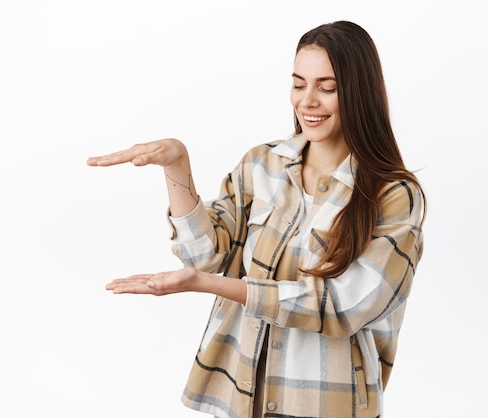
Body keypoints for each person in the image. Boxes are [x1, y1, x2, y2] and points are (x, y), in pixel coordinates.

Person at [87, 20, 425, 418]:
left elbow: (342, 307)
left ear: (360, 93)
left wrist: (207, 285)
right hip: (242, 397)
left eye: (327, 88)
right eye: (299, 85)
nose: (307, 101)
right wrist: (177, 167)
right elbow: (205, 257)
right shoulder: (262, 165)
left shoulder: (394, 195)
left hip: (327, 405)